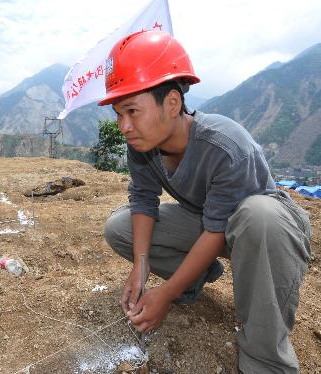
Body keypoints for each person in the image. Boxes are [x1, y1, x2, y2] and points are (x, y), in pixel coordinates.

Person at [99, 31, 311, 373]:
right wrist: (140, 266)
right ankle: (194, 280)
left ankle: (265, 360)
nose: (124, 126)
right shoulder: (142, 148)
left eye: (132, 111)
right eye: (118, 115)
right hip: (214, 223)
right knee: (120, 228)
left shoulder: (225, 146)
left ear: (171, 103)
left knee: (259, 215)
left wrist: (164, 294)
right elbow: (142, 200)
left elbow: (217, 230)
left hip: (266, 231)